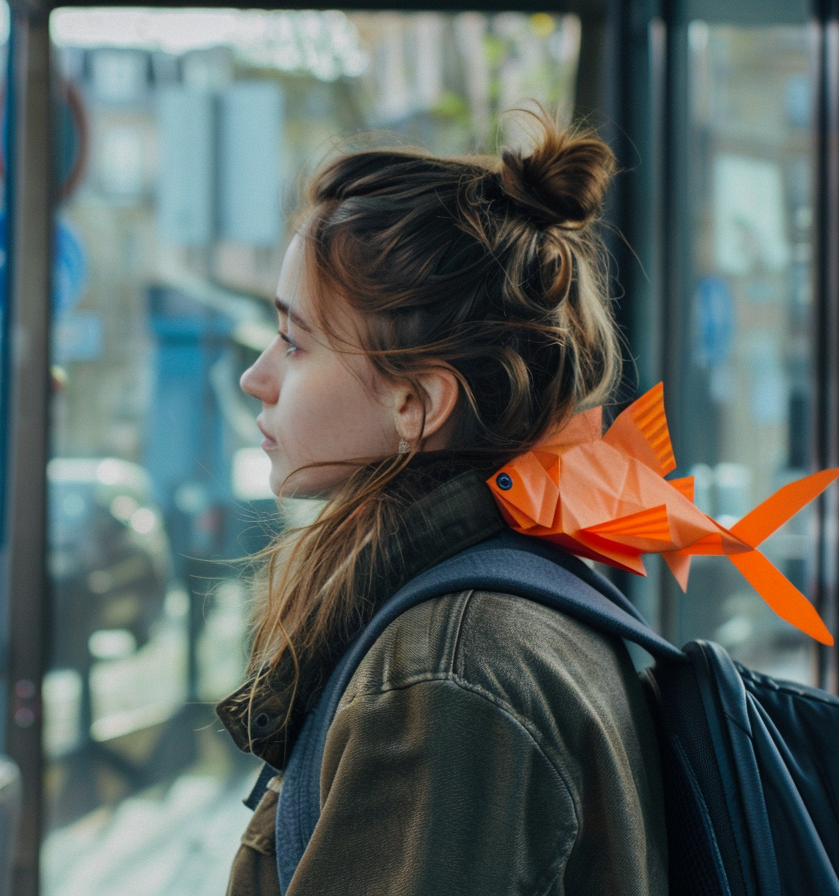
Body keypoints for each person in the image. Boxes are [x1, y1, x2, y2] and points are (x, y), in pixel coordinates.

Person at [216, 114, 667, 895]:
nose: (257, 377)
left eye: (294, 341)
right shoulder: (491, 605)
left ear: (418, 402)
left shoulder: (446, 673)